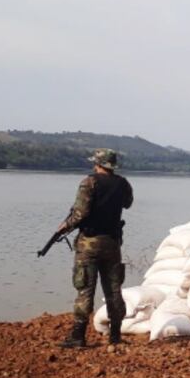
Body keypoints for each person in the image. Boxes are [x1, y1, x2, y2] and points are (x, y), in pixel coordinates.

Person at [57, 149, 133, 348]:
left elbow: (80, 213)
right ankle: (115, 337)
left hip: (89, 243)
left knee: (85, 289)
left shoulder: (89, 183)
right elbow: (128, 204)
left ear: (98, 164)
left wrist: (65, 225)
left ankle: (78, 336)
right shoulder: (123, 184)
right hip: (112, 243)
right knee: (114, 290)